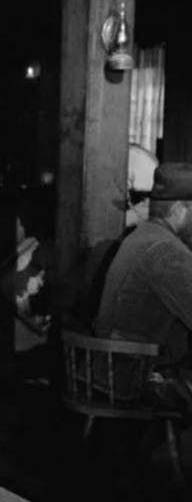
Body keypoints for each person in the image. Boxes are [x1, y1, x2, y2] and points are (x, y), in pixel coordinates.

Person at [94, 162, 192, 413]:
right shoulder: (166, 251)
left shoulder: (144, 235)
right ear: (181, 209)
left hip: (114, 368)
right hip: (134, 376)